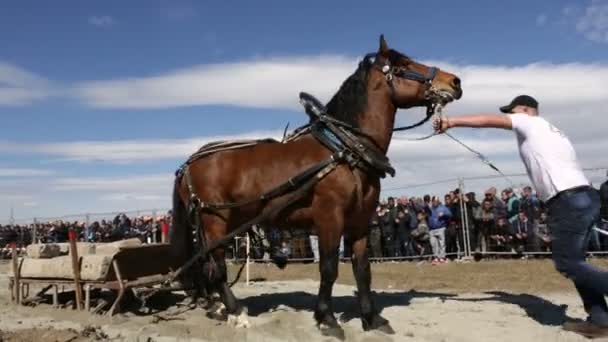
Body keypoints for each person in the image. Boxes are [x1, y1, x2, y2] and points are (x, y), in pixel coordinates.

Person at [434, 94, 604, 337]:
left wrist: (451, 122)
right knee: (577, 263)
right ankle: (600, 319)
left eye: (512, 111)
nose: (510, 116)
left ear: (525, 109)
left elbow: (489, 121)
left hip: (569, 200)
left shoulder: (530, 121)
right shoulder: (553, 131)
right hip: (583, 197)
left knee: (568, 263)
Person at [428, 196, 452, 265]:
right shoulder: (430, 209)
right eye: (434, 201)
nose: (435, 202)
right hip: (432, 229)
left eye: (437, 201)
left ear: (438, 201)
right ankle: (436, 258)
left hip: (441, 228)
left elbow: (450, 214)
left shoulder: (443, 208)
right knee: (433, 244)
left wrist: (444, 214)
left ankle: (442, 257)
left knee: (442, 244)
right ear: (432, 201)